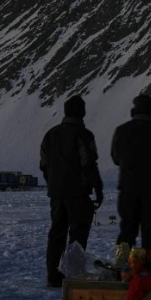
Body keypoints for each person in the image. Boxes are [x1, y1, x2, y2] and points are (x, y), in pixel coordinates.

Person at [40, 95, 104, 288]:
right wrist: (97, 187)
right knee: (78, 232)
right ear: (81, 112)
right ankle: (73, 274)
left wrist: (53, 183)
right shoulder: (84, 134)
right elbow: (88, 164)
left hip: (56, 194)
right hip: (77, 193)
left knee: (57, 232)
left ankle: (53, 275)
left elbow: (44, 164)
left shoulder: (50, 134)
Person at [111, 94, 151, 266]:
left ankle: (121, 267)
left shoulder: (121, 131)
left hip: (127, 189)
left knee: (127, 230)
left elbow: (116, 157)